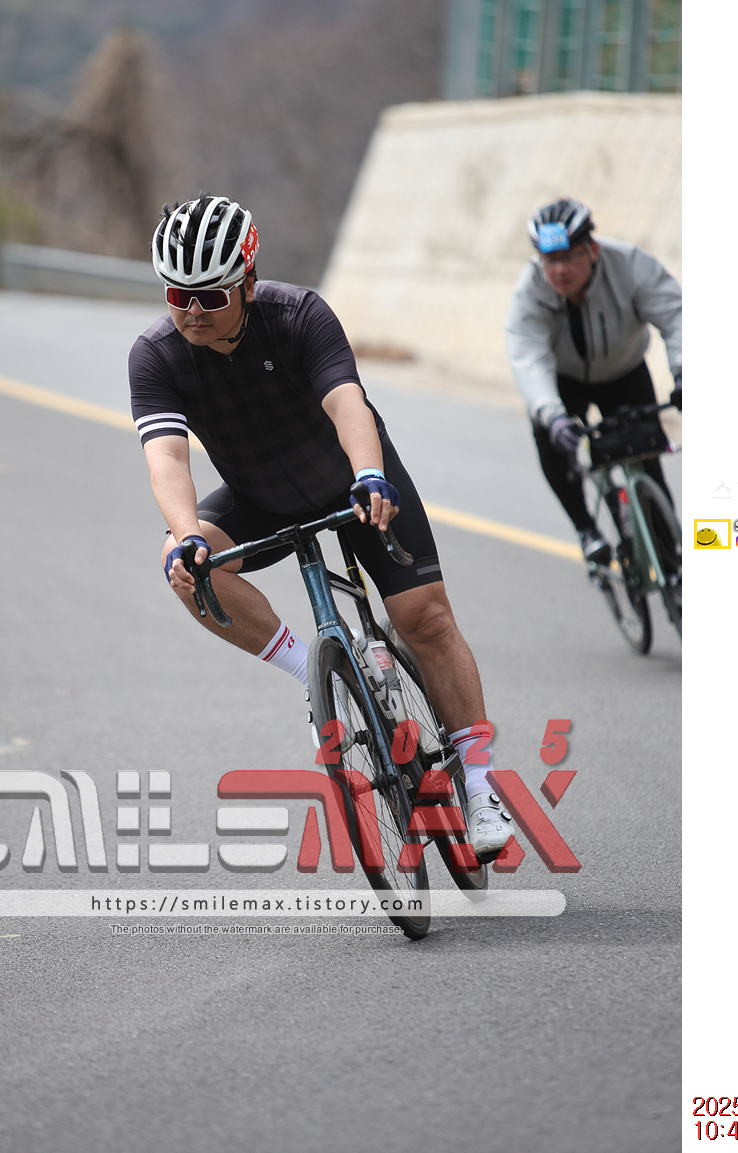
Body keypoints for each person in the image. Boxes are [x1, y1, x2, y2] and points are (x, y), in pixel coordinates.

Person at [129, 193, 512, 862]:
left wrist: (369, 474)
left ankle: (480, 789)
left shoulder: (300, 315)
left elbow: (346, 403)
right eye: (176, 294)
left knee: (424, 619)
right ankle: (314, 674)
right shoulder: (155, 355)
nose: (191, 311)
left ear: (247, 283)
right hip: (260, 496)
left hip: (351, 479)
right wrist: (187, 532)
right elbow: (166, 456)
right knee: (184, 569)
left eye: (210, 297)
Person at [504, 197, 682, 564]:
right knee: (548, 439)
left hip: (624, 371)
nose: (560, 270)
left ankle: (671, 564)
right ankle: (586, 528)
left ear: (593, 249)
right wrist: (552, 415)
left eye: (570, 256)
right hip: (564, 380)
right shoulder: (530, 290)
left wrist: (684, 374)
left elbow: (676, 316)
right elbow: (527, 355)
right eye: (550, 260)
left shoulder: (630, 265)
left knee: (648, 464)